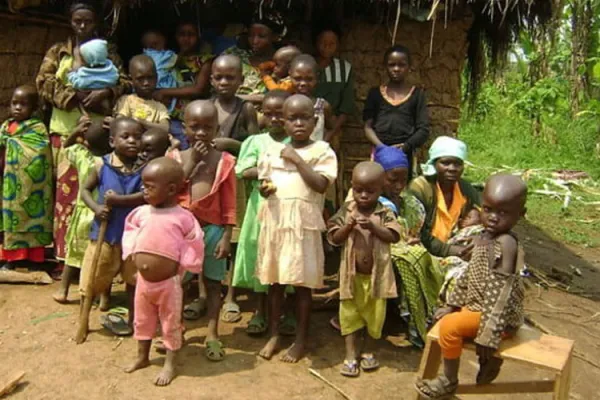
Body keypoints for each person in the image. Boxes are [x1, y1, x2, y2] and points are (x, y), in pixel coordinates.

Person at [415, 174, 527, 399]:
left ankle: (448, 380)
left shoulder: (506, 243)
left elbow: (501, 293)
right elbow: (468, 275)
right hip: (478, 308)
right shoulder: (484, 236)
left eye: (503, 213)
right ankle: (490, 360)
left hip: (498, 316)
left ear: (520, 215)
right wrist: (452, 303)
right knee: (444, 314)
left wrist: (489, 335)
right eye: (488, 210)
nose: (493, 218)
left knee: (449, 327)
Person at [36, 1, 131, 267]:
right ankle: (64, 258)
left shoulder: (107, 51)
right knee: (66, 196)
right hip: (67, 130)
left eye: (87, 21)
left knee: (96, 193)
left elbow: (125, 80)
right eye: (77, 21)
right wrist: (72, 96)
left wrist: (105, 92)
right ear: (70, 21)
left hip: (100, 133)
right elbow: (42, 82)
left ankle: (92, 259)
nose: (82, 26)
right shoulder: (59, 51)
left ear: (96, 23)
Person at [256, 94, 338, 363]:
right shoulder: (272, 151)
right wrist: (264, 189)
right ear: (284, 121)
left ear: (315, 121)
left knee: (302, 285)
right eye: (293, 119)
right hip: (277, 222)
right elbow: (266, 182)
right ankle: (275, 334)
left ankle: (301, 340)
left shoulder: (322, 151)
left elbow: (320, 185)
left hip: (303, 225)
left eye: (305, 118)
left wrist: (297, 159)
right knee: (276, 283)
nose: (299, 124)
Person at [123, 157, 204, 386]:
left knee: (170, 323)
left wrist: (187, 269)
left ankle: (170, 363)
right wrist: (132, 262)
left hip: (168, 284)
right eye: (143, 184)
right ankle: (142, 357)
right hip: (143, 283)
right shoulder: (140, 213)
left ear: (170, 189)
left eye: (149, 186)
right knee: (142, 320)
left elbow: (194, 243)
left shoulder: (183, 217)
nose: (143, 189)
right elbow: (130, 235)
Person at [170, 100, 236, 362]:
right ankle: (177, 330)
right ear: (184, 127)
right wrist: (192, 161)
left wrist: (227, 237)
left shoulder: (225, 161)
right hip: (181, 234)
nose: (200, 133)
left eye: (207, 127)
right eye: (194, 127)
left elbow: (229, 203)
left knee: (212, 283)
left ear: (217, 129)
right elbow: (171, 188)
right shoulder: (175, 158)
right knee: (178, 284)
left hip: (212, 231)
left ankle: (212, 333)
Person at [327, 162, 401, 377]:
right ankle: (350, 355)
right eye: (359, 190)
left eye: (371, 191)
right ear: (352, 186)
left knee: (375, 317)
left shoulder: (385, 212)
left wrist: (374, 227)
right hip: (352, 277)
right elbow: (334, 238)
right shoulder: (346, 210)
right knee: (349, 316)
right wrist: (348, 226)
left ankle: (369, 351)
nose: (364, 195)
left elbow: (394, 236)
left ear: (381, 189)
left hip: (378, 278)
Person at [76, 117, 145, 342]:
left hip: (134, 236)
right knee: (92, 278)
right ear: (113, 141)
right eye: (126, 137)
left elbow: (145, 196)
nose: (132, 141)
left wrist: (118, 200)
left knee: (133, 280)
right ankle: (83, 320)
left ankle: (135, 319)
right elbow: (85, 190)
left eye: (137, 137)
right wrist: (96, 207)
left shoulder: (145, 168)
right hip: (105, 234)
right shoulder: (101, 165)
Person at [232, 90, 290, 335]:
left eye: (281, 114)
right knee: (260, 255)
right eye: (269, 114)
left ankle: (286, 314)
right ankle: (259, 312)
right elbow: (242, 170)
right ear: (262, 115)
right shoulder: (255, 142)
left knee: (286, 259)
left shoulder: (298, 142)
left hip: (288, 210)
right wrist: (270, 170)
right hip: (261, 208)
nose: (275, 119)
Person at [53, 118, 111, 304]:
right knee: (103, 257)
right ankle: (104, 297)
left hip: (82, 212)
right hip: (102, 214)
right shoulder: (111, 161)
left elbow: (66, 147)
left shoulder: (82, 156)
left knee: (74, 256)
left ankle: (63, 290)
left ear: (85, 142)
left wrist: (76, 131)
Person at [0, 86, 53, 269]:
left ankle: (35, 258)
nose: (17, 108)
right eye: (14, 103)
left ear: (33, 108)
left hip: (33, 186)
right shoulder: (6, 127)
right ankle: (12, 258)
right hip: (10, 186)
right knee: (12, 219)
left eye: (23, 104)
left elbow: (41, 151)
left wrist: (12, 143)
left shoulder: (37, 128)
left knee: (33, 219)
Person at [363, 45, 429, 179]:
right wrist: (382, 148)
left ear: (409, 67)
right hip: (380, 151)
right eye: (391, 65)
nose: (396, 69)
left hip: (405, 154)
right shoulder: (375, 94)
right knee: (378, 185)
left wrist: (405, 147)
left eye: (401, 65)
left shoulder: (417, 95)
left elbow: (423, 129)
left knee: (401, 188)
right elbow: (368, 127)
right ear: (385, 67)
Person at [153, 21, 214, 150]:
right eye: (182, 34)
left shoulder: (205, 60)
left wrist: (164, 92)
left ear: (198, 37)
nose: (186, 39)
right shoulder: (168, 57)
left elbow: (198, 89)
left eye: (190, 35)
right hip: (166, 114)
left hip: (191, 115)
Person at [224, 8, 287, 102]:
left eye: (261, 36)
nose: (254, 41)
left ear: (275, 37)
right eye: (251, 35)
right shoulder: (235, 57)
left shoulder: (284, 63)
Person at [210, 54, 259, 155]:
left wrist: (231, 144)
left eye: (230, 78)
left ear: (241, 80)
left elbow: (256, 147)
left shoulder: (246, 108)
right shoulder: (206, 107)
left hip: (238, 165)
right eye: (218, 78)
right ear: (211, 80)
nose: (223, 82)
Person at [314, 27, 356, 143]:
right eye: (323, 43)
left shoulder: (344, 69)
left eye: (332, 44)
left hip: (332, 127)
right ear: (316, 43)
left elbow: (346, 107)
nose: (327, 47)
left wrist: (331, 134)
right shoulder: (306, 66)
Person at [114, 55, 169, 132]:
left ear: (156, 78)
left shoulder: (160, 107)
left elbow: (165, 128)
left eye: (150, 78)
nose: (146, 83)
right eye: (140, 79)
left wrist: (142, 123)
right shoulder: (126, 101)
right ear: (131, 79)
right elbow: (119, 123)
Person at [289, 54, 334, 142]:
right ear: (290, 75)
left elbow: (331, 127)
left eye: (309, 79)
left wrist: (323, 145)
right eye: (297, 78)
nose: (303, 83)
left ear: (317, 77)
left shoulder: (323, 106)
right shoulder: (285, 104)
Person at [67, 38, 119, 115]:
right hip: (105, 101)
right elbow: (116, 77)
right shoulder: (110, 68)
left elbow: (78, 83)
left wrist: (71, 74)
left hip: (86, 98)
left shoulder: (85, 75)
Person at [142, 30, 178, 112]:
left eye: (155, 44)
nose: (153, 48)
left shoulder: (166, 55)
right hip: (158, 87)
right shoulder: (164, 55)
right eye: (149, 46)